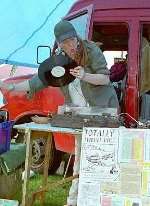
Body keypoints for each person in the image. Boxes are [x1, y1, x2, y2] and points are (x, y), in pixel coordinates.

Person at [0, 20, 119, 206]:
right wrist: (12, 86)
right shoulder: (58, 60)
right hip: (80, 117)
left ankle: (100, 201)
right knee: (80, 159)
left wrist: (84, 75)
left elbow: (105, 78)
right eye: (64, 43)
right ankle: (74, 202)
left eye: (71, 40)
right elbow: (36, 82)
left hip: (102, 112)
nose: (69, 46)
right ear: (59, 44)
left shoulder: (91, 50)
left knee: (102, 160)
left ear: (76, 38)